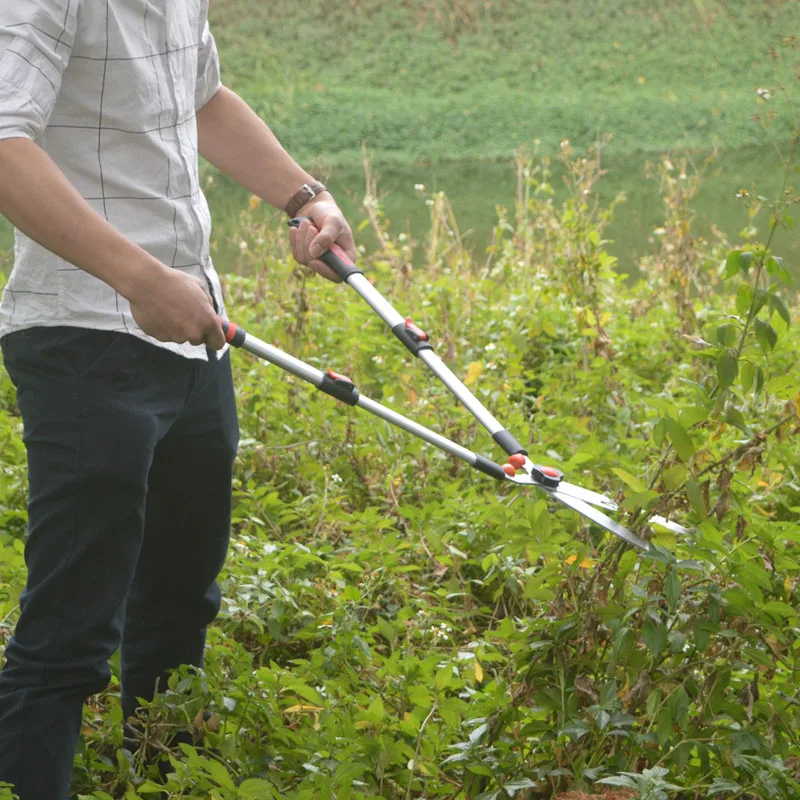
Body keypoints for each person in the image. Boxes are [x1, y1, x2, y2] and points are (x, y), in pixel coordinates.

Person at [0, 1, 356, 797]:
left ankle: (159, 780)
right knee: (68, 638)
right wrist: (136, 278)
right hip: (84, 342)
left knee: (177, 607)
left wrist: (305, 198)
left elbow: (202, 99)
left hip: (192, 334)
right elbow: (3, 145)